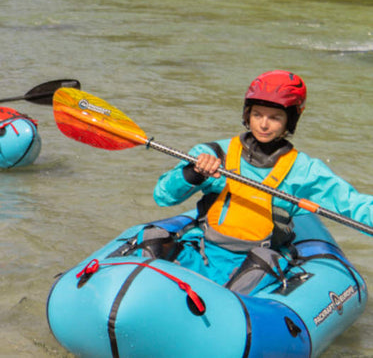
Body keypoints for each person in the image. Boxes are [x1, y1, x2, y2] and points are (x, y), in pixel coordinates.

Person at [153, 70, 373, 292]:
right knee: (152, 238)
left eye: (275, 118)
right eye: (257, 115)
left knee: (261, 263)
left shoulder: (303, 170)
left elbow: (352, 204)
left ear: (290, 120)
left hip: (257, 263)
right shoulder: (215, 154)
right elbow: (163, 196)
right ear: (247, 114)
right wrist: (195, 173)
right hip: (205, 251)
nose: (263, 125)